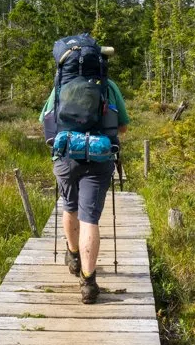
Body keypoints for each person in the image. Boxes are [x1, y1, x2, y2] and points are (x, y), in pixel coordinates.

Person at [39, 69, 130, 304]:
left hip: (67, 156)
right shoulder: (108, 86)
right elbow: (123, 127)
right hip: (99, 157)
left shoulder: (61, 84)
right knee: (90, 218)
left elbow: (45, 120)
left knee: (69, 206)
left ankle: (74, 255)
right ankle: (88, 283)